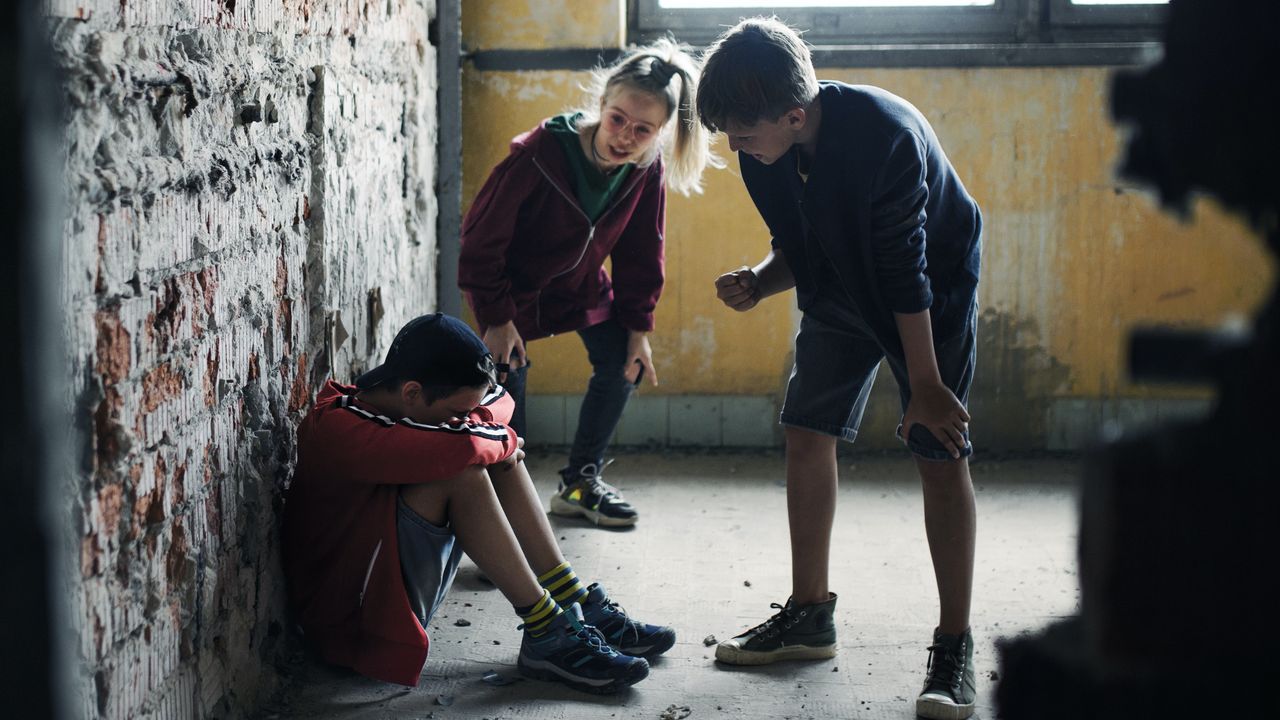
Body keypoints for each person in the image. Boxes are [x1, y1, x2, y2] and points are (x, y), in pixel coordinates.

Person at [695, 18, 983, 720]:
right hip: (840, 285)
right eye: (728, 132)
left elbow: (903, 272)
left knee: (938, 448)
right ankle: (809, 616)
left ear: (795, 116)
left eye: (743, 133)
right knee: (807, 429)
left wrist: (926, 387)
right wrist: (761, 280)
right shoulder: (764, 146)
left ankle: (954, 646)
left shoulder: (885, 140)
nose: (734, 146)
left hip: (930, 291)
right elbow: (802, 240)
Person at [281, 313, 676, 694]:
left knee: (494, 457)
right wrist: (502, 439)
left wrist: (490, 435)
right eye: (458, 412)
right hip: (351, 624)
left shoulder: (405, 404)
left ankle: (571, 599)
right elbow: (467, 446)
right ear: (412, 392)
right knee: (465, 472)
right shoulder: (341, 429)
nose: (463, 419)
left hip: (386, 588)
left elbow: (501, 399)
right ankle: (545, 631)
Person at [458, 38, 719, 527]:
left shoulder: (645, 168)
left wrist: (638, 331)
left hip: (581, 286)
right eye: (618, 119)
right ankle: (505, 507)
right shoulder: (539, 153)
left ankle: (580, 483)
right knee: (506, 390)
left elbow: (643, 254)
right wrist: (496, 316)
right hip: (513, 292)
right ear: (602, 103)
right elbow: (479, 239)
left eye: (643, 130)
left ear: (660, 133)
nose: (625, 136)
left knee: (624, 363)